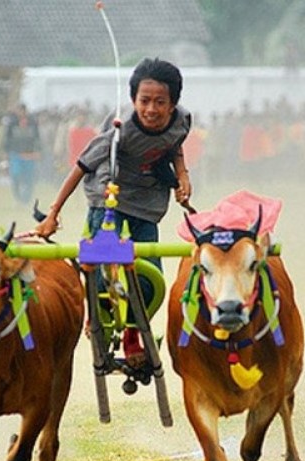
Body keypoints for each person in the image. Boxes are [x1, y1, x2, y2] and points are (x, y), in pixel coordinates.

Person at [35, 57, 192, 365]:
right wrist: (53, 213)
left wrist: (183, 175)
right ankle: (97, 312)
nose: (151, 109)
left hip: (147, 203)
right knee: (99, 261)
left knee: (151, 279)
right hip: (109, 196)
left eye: (160, 102)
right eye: (144, 101)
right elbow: (81, 166)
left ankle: (134, 331)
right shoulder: (122, 130)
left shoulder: (183, 121)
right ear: (133, 101)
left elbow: (175, 144)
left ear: (173, 104)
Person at [4, 103, 41, 205]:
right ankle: (18, 197)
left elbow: (37, 138)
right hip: (16, 154)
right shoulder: (12, 123)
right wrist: (6, 152)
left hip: (29, 154)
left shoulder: (32, 123)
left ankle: (26, 199)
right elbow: (7, 139)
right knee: (15, 175)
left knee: (29, 177)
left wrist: (38, 151)